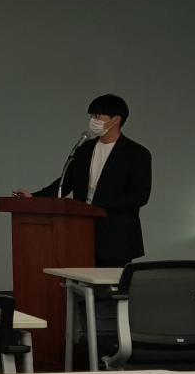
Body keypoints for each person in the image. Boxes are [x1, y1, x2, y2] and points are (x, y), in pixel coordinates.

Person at [14, 94, 152, 267]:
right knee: (79, 279)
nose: (93, 120)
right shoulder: (85, 148)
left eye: (98, 116)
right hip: (80, 231)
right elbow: (65, 182)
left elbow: (139, 196)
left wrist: (98, 205)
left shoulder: (137, 154)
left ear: (116, 119)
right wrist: (34, 198)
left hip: (116, 236)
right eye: (92, 116)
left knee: (108, 282)